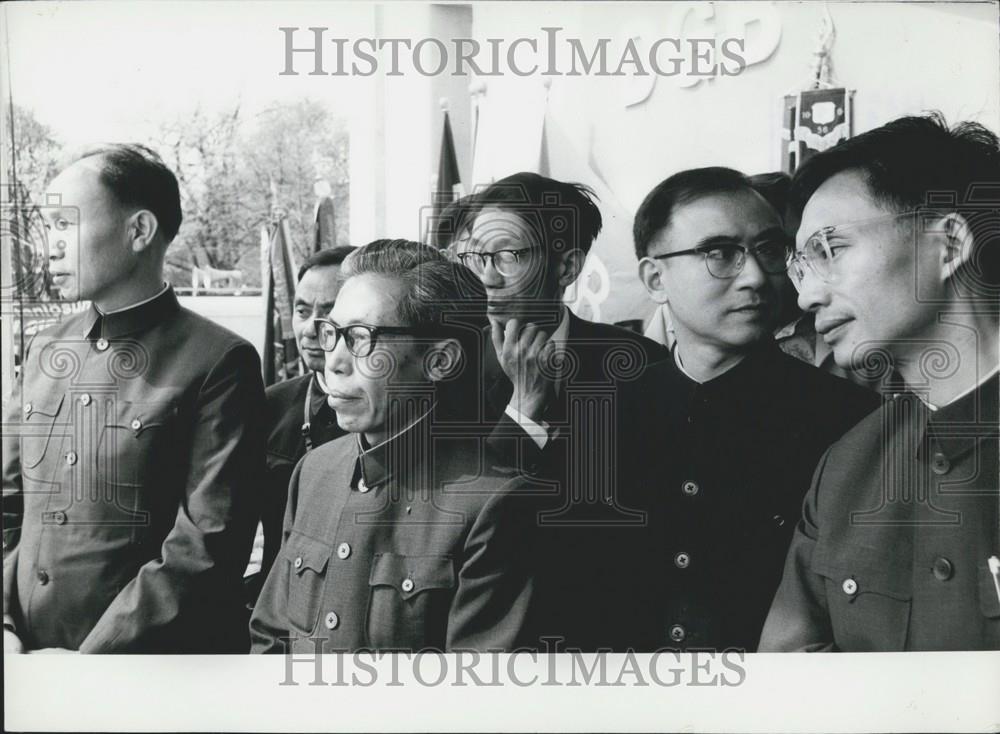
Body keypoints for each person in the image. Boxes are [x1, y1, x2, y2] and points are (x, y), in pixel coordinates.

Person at [532, 166, 877, 652]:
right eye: (720, 254)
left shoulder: (850, 420)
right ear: (655, 278)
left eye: (770, 250)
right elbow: (558, 594)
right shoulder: (595, 417)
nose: (756, 277)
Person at [2, 144, 265, 653]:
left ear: (139, 231)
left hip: (144, 674)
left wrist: (90, 660)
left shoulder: (218, 361)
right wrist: (5, 625)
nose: (48, 247)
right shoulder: (45, 348)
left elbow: (207, 543)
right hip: (22, 662)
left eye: (64, 224)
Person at [760, 113, 1000, 651]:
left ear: (949, 244)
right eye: (801, 268)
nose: (806, 297)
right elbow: (786, 671)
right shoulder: (846, 466)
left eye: (831, 249)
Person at [249, 244, 536, 653]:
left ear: (439, 360)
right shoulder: (314, 470)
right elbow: (270, 638)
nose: (335, 361)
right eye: (332, 334)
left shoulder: (493, 501)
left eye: (361, 338)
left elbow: (477, 695)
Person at [455, 172, 668, 470]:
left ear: (568, 267)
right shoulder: (449, 367)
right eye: (476, 254)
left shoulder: (642, 363)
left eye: (507, 255)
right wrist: (523, 407)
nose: (487, 277)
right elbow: (457, 504)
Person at [253, 246, 354, 593]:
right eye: (301, 311)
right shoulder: (268, 407)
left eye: (328, 312)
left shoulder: (395, 412)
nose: (311, 328)